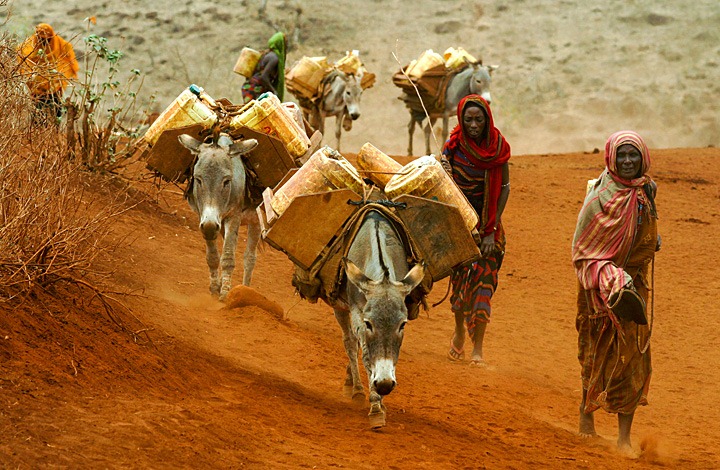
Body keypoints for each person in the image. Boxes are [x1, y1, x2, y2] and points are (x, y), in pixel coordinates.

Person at [572, 130, 660, 455]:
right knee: (595, 352)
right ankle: (586, 419)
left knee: (634, 356)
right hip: (597, 291)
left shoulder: (646, 192)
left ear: (642, 159)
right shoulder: (598, 197)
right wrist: (608, 276)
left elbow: (646, 230)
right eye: (621, 155)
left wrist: (653, 241)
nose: (626, 161)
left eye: (632, 155)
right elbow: (582, 249)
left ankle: (624, 436)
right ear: (611, 157)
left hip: (634, 287)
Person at [440, 95, 511, 368]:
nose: (473, 125)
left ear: (487, 119)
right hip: (460, 228)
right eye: (468, 119)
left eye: (478, 119)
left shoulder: (498, 147)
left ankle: (478, 348)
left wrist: (491, 229)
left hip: (489, 228)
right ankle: (459, 331)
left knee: (483, 287)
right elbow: (441, 182)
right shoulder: (453, 146)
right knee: (459, 289)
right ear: (461, 119)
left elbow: (504, 187)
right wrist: (443, 167)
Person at [17, 23, 79, 122]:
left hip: (54, 88)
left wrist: (58, 78)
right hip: (36, 89)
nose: (44, 41)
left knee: (56, 113)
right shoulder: (28, 46)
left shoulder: (60, 44)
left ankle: (54, 133)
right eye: (41, 38)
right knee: (38, 116)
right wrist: (33, 80)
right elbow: (24, 63)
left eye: (47, 39)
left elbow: (67, 60)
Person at [241, 31, 287, 104]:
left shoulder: (266, 54)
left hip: (249, 87)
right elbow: (264, 77)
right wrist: (274, 91)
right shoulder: (274, 58)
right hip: (255, 89)